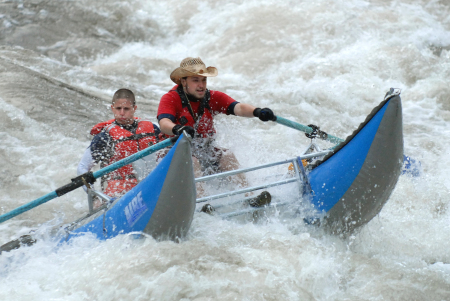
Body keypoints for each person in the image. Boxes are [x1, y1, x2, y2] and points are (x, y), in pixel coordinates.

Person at [157, 57, 275, 183]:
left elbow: (239, 108)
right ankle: (204, 202)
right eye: (196, 80)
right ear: (184, 82)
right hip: (171, 156)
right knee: (192, 161)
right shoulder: (170, 98)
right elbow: (164, 123)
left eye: (204, 80)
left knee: (227, 155)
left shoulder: (212, 97)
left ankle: (249, 195)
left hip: (203, 152)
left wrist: (257, 112)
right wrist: (178, 128)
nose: (201, 85)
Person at [78, 88, 163, 199]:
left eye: (126, 109)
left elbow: (165, 154)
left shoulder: (152, 129)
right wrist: (94, 196)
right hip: (119, 192)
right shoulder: (104, 138)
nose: (122, 113)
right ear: (113, 109)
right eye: (118, 108)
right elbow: (83, 167)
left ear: (134, 108)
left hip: (150, 184)